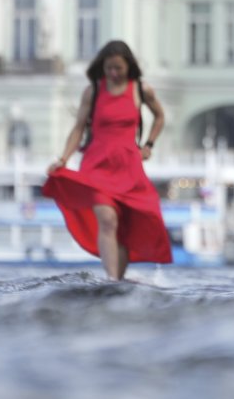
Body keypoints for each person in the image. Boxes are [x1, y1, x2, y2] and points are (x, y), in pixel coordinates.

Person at [43, 40, 171, 281]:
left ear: (129, 67)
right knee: (107, 218)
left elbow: (160, 117)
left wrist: (149, 145)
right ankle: (111, 279)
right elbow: (78, 128)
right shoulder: (93, 91)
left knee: (124, 230)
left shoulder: (140, 90)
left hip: (128, 168)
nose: (113, 73)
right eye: (108, 68)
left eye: (118, 68)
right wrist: (63, 158)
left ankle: (118, 283)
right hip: (96, 166)